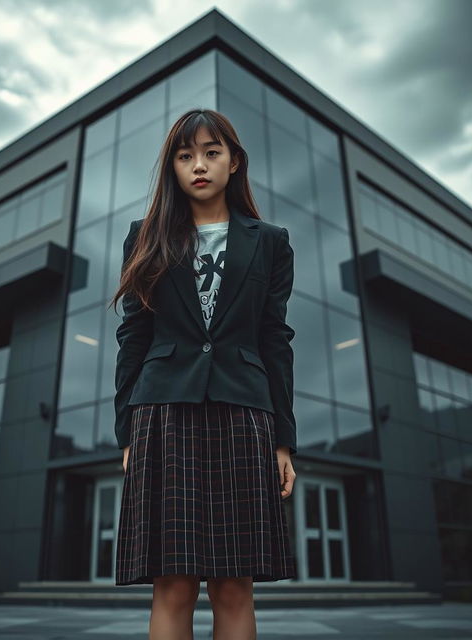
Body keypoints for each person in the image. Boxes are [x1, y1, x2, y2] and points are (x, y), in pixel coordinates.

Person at [110, 108, 297, 639]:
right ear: (172, 167)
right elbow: (133, 336)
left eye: (212, 153)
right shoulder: (144, 236)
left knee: (235, 584)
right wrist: (126, 429)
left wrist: (284, 439)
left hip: (244, 411)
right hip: (164, 412)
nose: (199, 165)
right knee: (173, 583)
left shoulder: (270, 240)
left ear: (233, 162)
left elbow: (275, 338)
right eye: (185, 155)